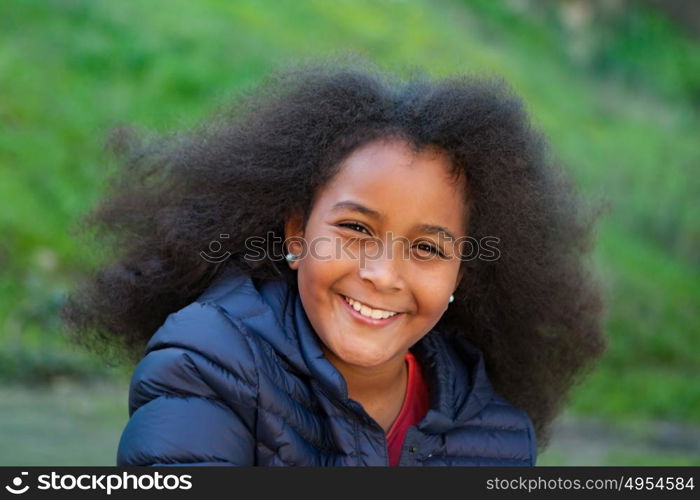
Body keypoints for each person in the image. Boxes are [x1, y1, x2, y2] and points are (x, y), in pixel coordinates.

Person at [61, 58, 607, 466]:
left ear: (461, 272)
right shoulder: (207, 365)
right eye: (355, 229)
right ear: (297, 233)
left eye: (426, 249)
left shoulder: (496, 431)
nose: (382, 274)